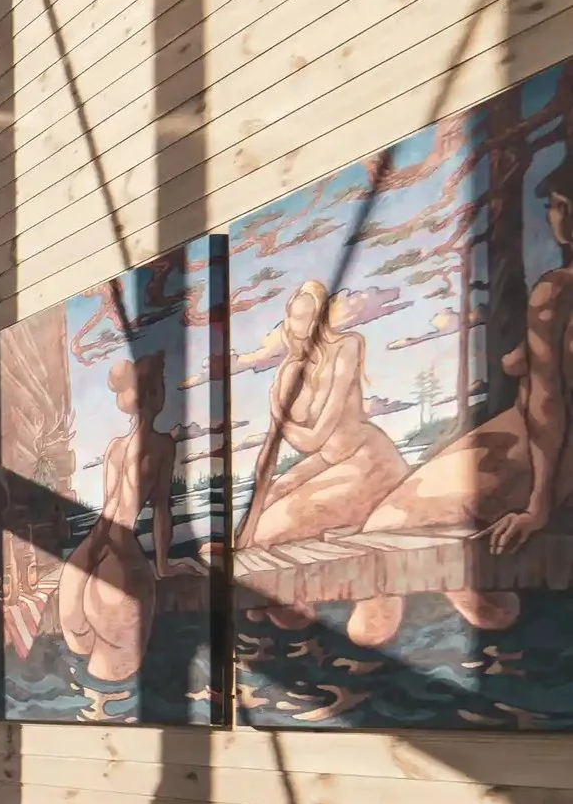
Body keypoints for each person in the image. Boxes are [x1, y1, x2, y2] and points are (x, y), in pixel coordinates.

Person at [345, 163, 573, 645]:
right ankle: (469, 599)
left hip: (536, 444)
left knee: (387, 526)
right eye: (552, 204)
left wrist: (539, 504)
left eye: (557, 204)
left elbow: (548, 403)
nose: (552, 214)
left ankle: (388, 634)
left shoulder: (557, 290)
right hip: (526, 437)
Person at [243, 279, 410, 547]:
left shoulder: (347, 347)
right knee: (270, 501)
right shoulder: (288, 372)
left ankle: (359, 519)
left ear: (320, 317)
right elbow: (269, 453)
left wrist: (278, 411)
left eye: (308, 318)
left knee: (270, 529)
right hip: (328, 459)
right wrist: (245, 527)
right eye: (295, 317)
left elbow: (315, 438)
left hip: (367, 456)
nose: (301, 326)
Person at [58, 353, 174, 686]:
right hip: (122, 565)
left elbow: (109, 509)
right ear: (153, 395)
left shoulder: (115, 448)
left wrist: (89, 555)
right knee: (115, 675)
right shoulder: (163, 446)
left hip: (87, 558)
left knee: (91, 676)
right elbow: (161, 509)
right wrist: (165, 565)